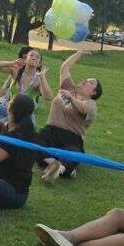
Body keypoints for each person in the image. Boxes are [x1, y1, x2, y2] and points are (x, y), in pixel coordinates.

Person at [35, 47, 102, 183]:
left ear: (93, 92)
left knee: (73, 156)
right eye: (86, 79)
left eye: (90, 82)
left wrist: (71, 98)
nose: (85, 81)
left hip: (71, 139)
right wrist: (79, 53)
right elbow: (64, 68)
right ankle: (54, 163)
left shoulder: (91, 104)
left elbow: (83, 109)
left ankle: (59, 167)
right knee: (33, 141)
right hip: (50, 132)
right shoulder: (69, 88)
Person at [0, 47, 53, 129]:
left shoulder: (38, 79)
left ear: (39, 63)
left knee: (31, 124)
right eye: (31, 55)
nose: (34, 58)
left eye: (37, 57)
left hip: (25, 115)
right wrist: (12, 63)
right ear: (25, 59)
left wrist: (43, 77)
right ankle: (5, 124)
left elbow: (48, 97)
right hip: (8, 109)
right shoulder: (16, 71)